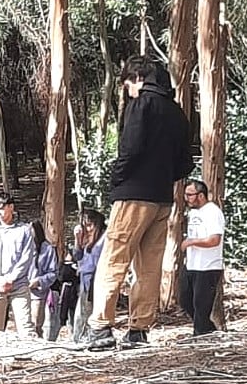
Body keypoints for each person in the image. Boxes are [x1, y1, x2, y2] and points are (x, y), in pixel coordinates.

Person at [87, 57, 192, 349]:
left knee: (115, 258)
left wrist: (117, 179)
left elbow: (129, 149)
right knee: (149, 266)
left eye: (126, 84)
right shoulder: (177, 112)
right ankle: (139, 330)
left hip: (133, 194)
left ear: (136, 78)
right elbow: (185, 163)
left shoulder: (141, 105)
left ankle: (100, 327)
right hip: (162, 198)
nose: (126, 90)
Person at [0, 193, 37, 339]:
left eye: (2, 208)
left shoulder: (24, 230)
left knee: (26, 328)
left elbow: (27, 257)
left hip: (19, 286)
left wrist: (11, 278)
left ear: (11, 207)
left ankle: (30, 357)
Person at [179, 180, 225, 336]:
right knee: (185, 299)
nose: (187, 198)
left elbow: (214, 240)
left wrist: (192, 242)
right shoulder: (193, 213)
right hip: (192, 264)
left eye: (190, 195)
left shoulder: (213, 212)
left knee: (201, 304)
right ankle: (208, 330)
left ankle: (200, 334)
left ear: (201, 195)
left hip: (208, 266)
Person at [71, 210, 106, 343]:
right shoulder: (87, 239)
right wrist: (77, 239)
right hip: (84, 280)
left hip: (96, 280)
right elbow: (77, 256)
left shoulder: (104, 238)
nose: (88, 229)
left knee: (88, 313)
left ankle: (87, 338)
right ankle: (78, 338)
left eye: (90, 225)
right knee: (80, 314)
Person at [28, 220, 58, 338]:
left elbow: (53, 273)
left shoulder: (47, 249)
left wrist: (39, 281)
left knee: (35, 325)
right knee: (23, 325)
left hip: (37, 294)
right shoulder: (22, 248)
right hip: (20, 292)